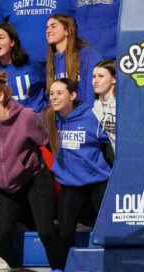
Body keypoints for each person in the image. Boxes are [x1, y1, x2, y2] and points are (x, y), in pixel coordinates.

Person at [0, 73, 64, 269]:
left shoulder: (26, 117)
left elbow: (46, 143)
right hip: (5, 186)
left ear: (1, 97)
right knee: (3, 237)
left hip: (34, 179)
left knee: (46, 232)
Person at [44, 77, 111, 256]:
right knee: (65, 236)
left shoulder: (91, 116)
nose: (54, 97)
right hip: (70, 184)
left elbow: (113, 139)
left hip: (97, 182)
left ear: (72, 95)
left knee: (108, 231)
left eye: (59, 93)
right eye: (51, 94)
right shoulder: (49, 118)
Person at [0, 22, 46, 113]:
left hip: (34, 121)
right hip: (2, 124)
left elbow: (50, 88)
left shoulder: (33, 63)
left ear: (12, 42)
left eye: (1, 38)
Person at [46, 13, 101, 106]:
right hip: (61, 117)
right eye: (47, 28)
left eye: (53, 26)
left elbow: (93, 91)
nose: (48, 31)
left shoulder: (87, 54)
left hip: (84, 115)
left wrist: (89, 116)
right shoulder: (52, 62)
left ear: (67, 31)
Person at [91, 59, 116, 152]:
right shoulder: (96, 106)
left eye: (101, 76)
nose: (95, 81)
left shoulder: (123, 104)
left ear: (114, 79)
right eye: (94, 76)